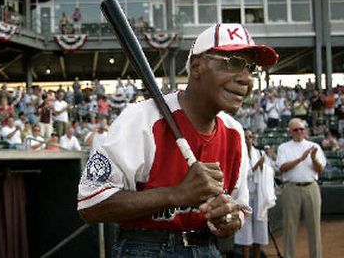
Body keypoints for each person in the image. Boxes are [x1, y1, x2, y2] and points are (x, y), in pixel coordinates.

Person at [77, 23, 278, 257]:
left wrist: (228, 218)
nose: (246, 78)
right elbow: (90, 204)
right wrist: (175, 194)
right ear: (197, 67)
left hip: (208, 247)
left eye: (250, 68)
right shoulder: (141, 118)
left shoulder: (234, 132)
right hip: (144, 247)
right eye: (233, 63)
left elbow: (238, 208)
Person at [276, 118, 326, 258]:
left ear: (305, 130)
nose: (299, 132)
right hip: (291, 188)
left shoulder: (314, 146)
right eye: (295, 130)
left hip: (311, 187)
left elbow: (320, 169)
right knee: (289, 227)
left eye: (301, 129)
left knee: (315, 226)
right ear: (290, 132)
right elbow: (282, 168)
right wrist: (301, 159)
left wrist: (314, 158)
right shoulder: (284, 147)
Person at [234, 130, 276, 258]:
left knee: (260, 226)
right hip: (244, 195)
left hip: (259, 194)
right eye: (245, 137)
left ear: (253, 139)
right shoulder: (238, 153)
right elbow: (238, 174)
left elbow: (271, 170)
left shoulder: (259, 153)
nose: (248, 139)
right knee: (245, 228)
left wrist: (266, 162)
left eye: (250, 137)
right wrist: (255, 167)